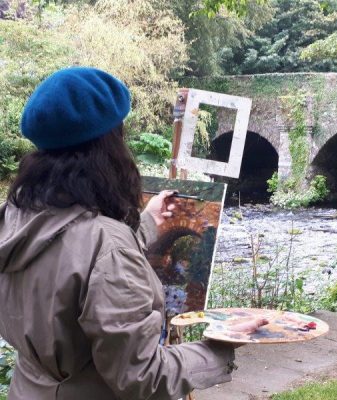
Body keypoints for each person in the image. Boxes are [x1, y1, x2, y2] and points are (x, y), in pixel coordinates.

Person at [0, 67, 236, 400]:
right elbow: (143, 377)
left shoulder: (16, 217)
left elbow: (75, 257)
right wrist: (219, 349)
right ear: (109, 147)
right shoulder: (105, 246)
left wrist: (148, 220)